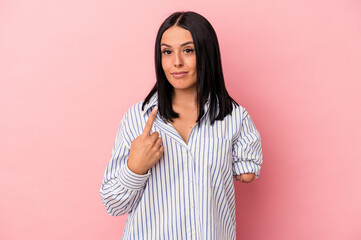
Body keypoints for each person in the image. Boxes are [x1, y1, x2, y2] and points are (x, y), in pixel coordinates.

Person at [100, 11, 263, 240]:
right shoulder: (137, 119)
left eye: (188, 50)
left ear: (206, 54)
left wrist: (240, 166)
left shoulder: (233, 117)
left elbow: (247, 169)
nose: (176, 62)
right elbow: (113, 204)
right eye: (167, 52)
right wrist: (135, 168)